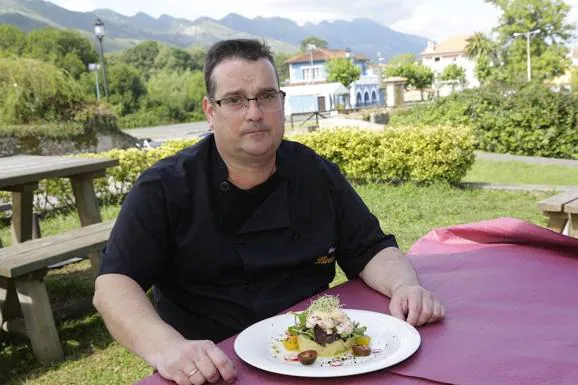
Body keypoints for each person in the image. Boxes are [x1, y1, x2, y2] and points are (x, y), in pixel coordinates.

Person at [93, 39, 445, 385]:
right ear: (209, 111)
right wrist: (167, 349)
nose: (254, 113)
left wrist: (405, 286)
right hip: (215, 364)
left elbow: (371, 248)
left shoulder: (315, 173)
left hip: (320, 359)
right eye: (234, 100)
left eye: (266, 96)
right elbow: (113, 285)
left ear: (281, 101)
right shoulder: (165, 187)